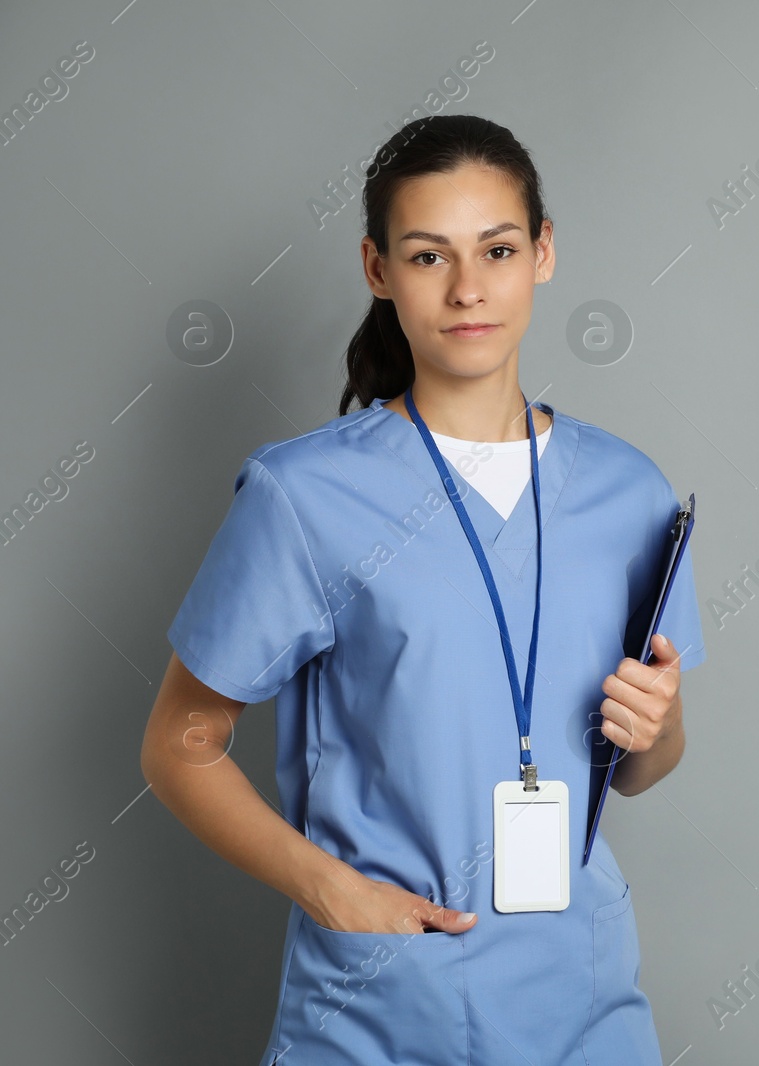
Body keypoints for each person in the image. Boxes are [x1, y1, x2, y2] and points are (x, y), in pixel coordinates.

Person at [140, 113, 705, 1065]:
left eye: (497, 248)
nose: (469, 288)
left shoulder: (628, 493)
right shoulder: (306, 496)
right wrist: (332, 892)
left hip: (583, 1002)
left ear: (545, 253)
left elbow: (642, 765)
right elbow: (178, 745)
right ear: (377, 269)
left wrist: (660, 724)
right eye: (427, 255)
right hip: (379, 1008)